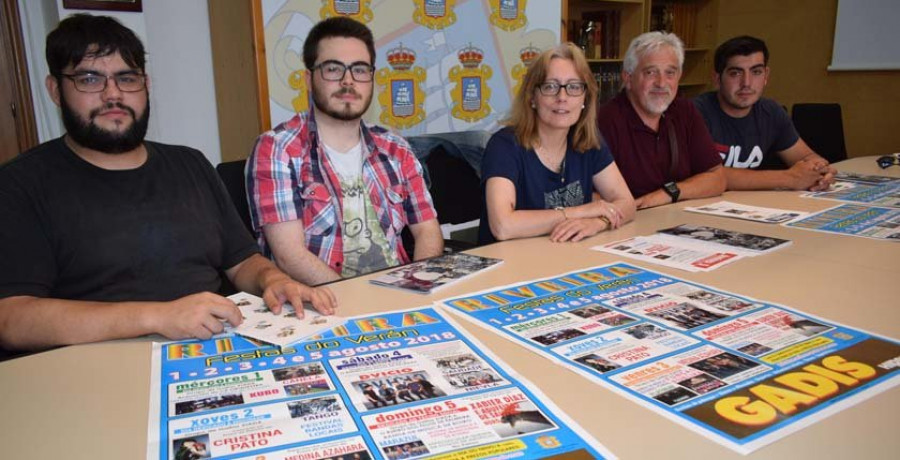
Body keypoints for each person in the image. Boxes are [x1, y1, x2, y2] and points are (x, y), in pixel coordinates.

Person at [0, 14, 336, 352]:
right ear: (56, 90)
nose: (113, 95)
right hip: (101, 366)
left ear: (145, 85)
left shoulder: (190, 163)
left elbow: (243, 260)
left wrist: (272, 279)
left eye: (126, 78)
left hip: (214, 350)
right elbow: (12, 319)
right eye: (90, 80)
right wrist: (159, 317)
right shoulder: (21, 183)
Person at [247, 17, 443, 285]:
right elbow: (289, 257)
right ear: (308, 79)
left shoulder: (395, 148)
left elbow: (427, 231)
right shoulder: (277, 149)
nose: (348, 81)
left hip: (399, 294)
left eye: (360, 70)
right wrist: (356, 303)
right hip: (322, 304)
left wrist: (419, 284)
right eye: (333, 69)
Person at [479, 43, 635, 244]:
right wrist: (581, 212)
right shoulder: (504, 146)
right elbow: (503, 226)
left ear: (584, 98)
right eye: (550, 87)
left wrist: (598, 222)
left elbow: (627, 203)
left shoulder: (587, 139)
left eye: (574, 87)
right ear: (532, 97)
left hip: (565, 259)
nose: (562, 97)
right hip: (509, 267)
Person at [597, 32, 725, 209]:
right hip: (628, 222)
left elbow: (717, 178)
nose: (661, 83)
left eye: (670, 73)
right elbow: (591, 193)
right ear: (628, 78)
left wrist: (667, 193)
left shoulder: (684, 111)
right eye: (650, 72)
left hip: (674, 216)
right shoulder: (605, 121)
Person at [693, 35, 836, 191]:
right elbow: (709, 175)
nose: (746, 83)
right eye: (735, 73)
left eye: (756, 72)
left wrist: (820, 170)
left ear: (766, 76)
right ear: (717, 78)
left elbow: (806, 157)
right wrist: (790, 178)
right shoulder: (694, 112)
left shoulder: (771, 112)